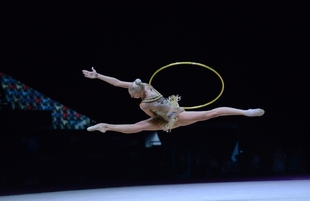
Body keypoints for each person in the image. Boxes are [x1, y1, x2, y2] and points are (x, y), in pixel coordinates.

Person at [82, 67, 265, 134]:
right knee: (138, 127)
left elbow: (162, 115)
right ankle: (105, 126)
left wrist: (172, 114)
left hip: (171, 116)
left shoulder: (146, 102)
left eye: (133, 96)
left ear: (139, 94)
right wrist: (97, 76)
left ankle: (246, 112)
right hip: (162, 113)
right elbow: (117, 83)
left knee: (211, 114)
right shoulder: (141, 85)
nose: (130, 96)